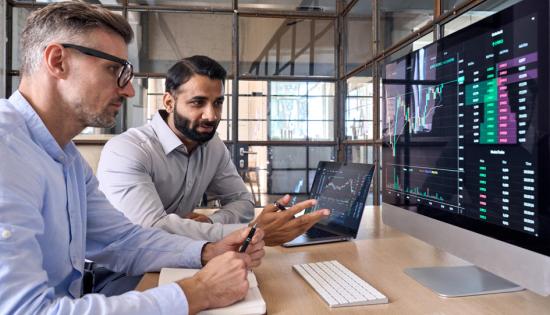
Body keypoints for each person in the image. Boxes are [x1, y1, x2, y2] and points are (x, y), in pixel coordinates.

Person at [0, 2, 265, 314]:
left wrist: (207, 251)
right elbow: (26, 311)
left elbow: (121, 241)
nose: (128, 92)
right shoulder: (7, 150)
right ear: (58, 61)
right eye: (114, 70)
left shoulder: (68, 159)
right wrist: (195, 293)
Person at [97, 55, 331, 245]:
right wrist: (251, 232)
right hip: (119, 273)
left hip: (180, 258)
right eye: (198, 103)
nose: (212, 115)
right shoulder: (127, 150)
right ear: (169, 102)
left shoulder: (212, 145)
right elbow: (150, 230)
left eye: (218, 102)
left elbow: (242, 201)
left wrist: (210, 224)